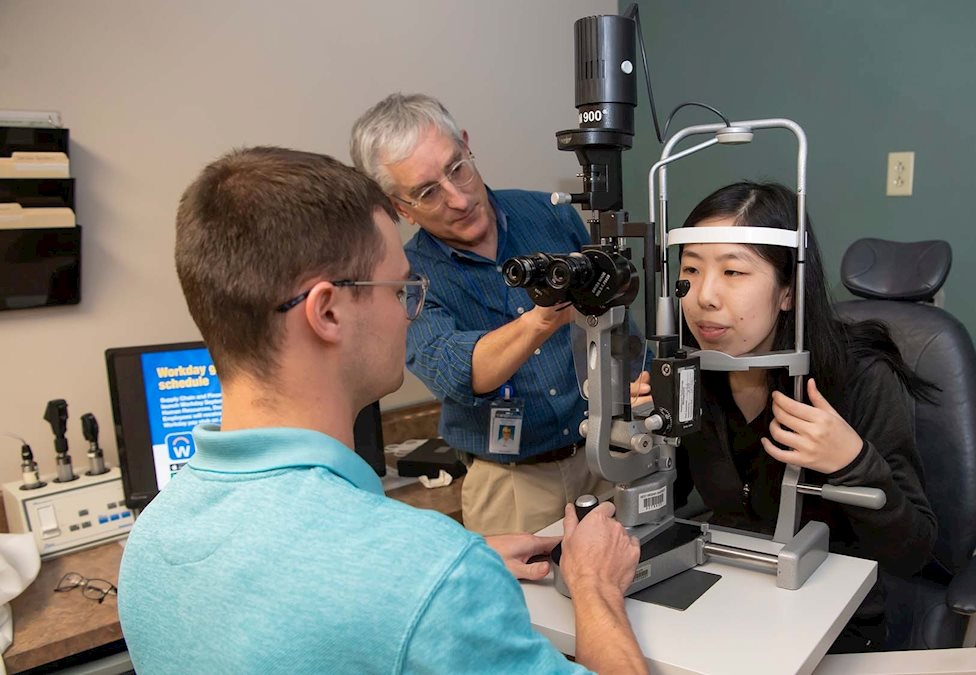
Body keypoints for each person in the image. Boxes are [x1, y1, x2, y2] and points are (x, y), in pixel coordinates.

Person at [119, 147, 646, 674]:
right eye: (399, 291)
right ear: (327, 312)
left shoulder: (152, 539)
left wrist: (458, 557)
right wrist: (594, 586)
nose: (407, 312)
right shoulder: (427, 576)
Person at [672, 181, 938, 653]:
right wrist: (640, 440)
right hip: (726, 596)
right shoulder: (690, 372)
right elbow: (667, 503)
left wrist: (852, 461)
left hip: (833, 618)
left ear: (787, 292)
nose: (704, 296)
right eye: (691, 268)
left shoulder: (859, 378)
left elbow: (913, 550)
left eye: (733, 271)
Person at [350, 92, 606, 535]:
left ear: (467, 144)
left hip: (601, 455)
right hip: (511, 484)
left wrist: (637, 386)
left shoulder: (550, 214)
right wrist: (540, 319)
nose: (458, 198)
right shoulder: (408, 275)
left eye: (457, 168)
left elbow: (612, 315)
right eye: (428, 192)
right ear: (399, 207)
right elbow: (458, 373)